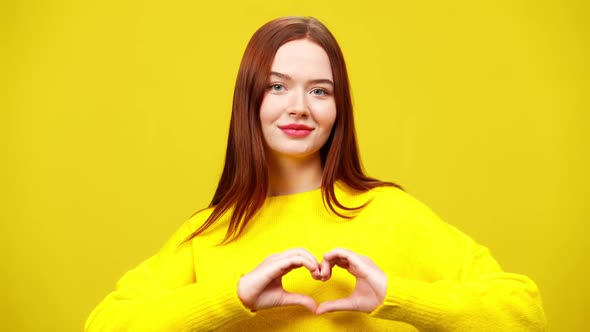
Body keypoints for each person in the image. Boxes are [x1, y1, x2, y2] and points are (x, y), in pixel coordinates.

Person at [85, 16, 547, 331]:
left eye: (320, 91)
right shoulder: (209, 232)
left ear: (338, 107)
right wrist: (234, 296)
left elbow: (525, 314)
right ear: (250, 99)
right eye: (277, 86)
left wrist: (400, 296)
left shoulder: (392, 213)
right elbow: (105, 324)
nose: (299, 108)